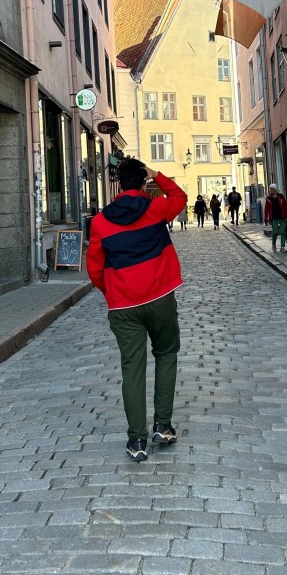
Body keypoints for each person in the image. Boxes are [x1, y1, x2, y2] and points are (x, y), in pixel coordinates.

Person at [86, 157, 187, 463]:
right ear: (144, 182)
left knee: (132, 368)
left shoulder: (100, 222)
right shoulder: (155, 210)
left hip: (124, 306)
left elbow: (94, 269)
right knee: (166, 353)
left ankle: (137, 440)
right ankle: (163, 425)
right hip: (159, 298)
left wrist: (112, 292)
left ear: (117, 184)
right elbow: (180, 198)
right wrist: (158, 175)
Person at [264, 182, 287, 252]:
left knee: (282, 231)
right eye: (270, 190)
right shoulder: (268, 199)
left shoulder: (281, 197)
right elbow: (266, 210)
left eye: (272, 189)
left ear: (275, 190)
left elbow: (285, 207)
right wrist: (266, 219)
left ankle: (282, 247)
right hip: (273, 217)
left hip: (282, 216)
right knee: (275, 232)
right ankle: (274, 244)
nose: (270, 191)